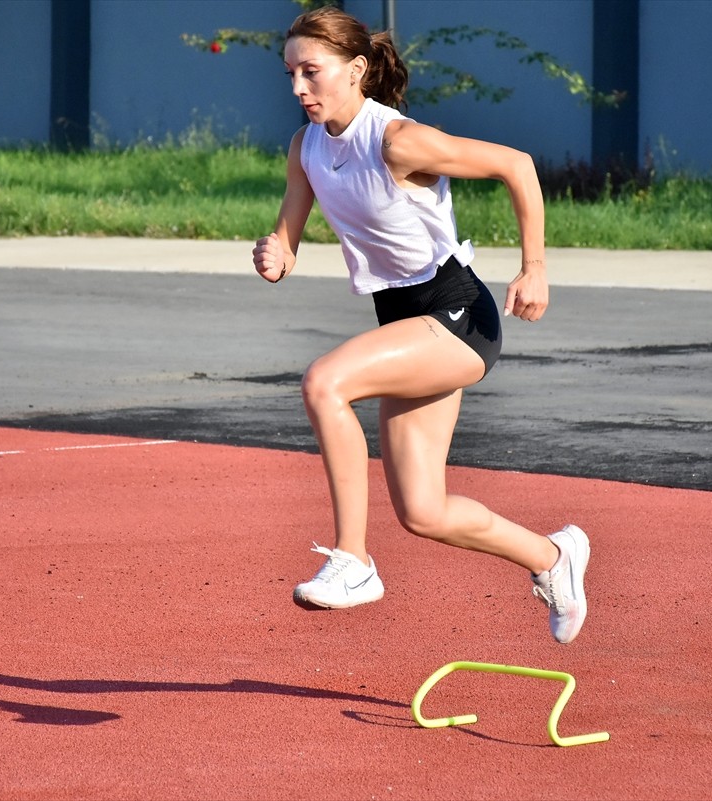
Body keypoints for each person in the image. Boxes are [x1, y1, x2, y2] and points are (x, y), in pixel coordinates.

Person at [251, 6, 590, 644]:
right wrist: (276, 254)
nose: (297, 86)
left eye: (311, 71)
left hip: (458, 316)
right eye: (289, 73)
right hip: (405, 319)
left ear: (356, 70)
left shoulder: (396, 140)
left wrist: (535, 268)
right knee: (423, 511)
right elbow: (287, 239)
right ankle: (554, 557)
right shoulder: (306, 147)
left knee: (326, 382)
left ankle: (353, 560)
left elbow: (517, 164)